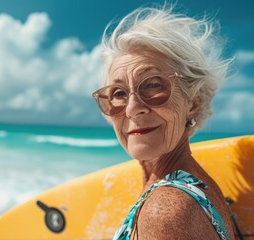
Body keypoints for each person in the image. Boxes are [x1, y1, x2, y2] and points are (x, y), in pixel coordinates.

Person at [92, 5, 235, 240]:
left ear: (193, 104)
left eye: (153, 85)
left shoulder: (165, 211)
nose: (132, 109)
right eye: (118, 93)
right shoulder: (192, 187)